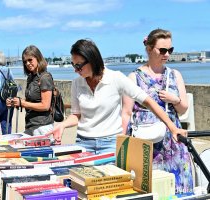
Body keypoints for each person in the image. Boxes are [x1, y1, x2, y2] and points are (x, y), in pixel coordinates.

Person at [49, 39, 187, 155]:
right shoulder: (76, 83)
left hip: (110, 143)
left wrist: (172, 127)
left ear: (92, 60)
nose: (75, 70)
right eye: (74, 65)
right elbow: (76, 115)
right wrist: (63, 125)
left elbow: (148, 101)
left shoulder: (116, 78)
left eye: (78, 65)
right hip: (83, 142)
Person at [121, 28, 193, 194]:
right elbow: (126, 112)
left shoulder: (175, 75)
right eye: (162, 50)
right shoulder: (134, 77)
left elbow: (182, 110)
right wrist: (122, 145)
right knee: (148, 188)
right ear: (149, 49)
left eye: (170, 50)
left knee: (178, 186)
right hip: (146, 143)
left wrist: (175, 100)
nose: (167, 54)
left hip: (173, 141)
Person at [6, 45, 54, 136]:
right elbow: (30, 102)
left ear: (38, 58)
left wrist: (22, 103)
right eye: (25, 62)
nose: (27, 63)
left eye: (30, 60)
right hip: (30, 125)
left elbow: (45, 106)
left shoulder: (45, 77)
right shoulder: (30, 78)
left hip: (42, 126)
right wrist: (16, 102)